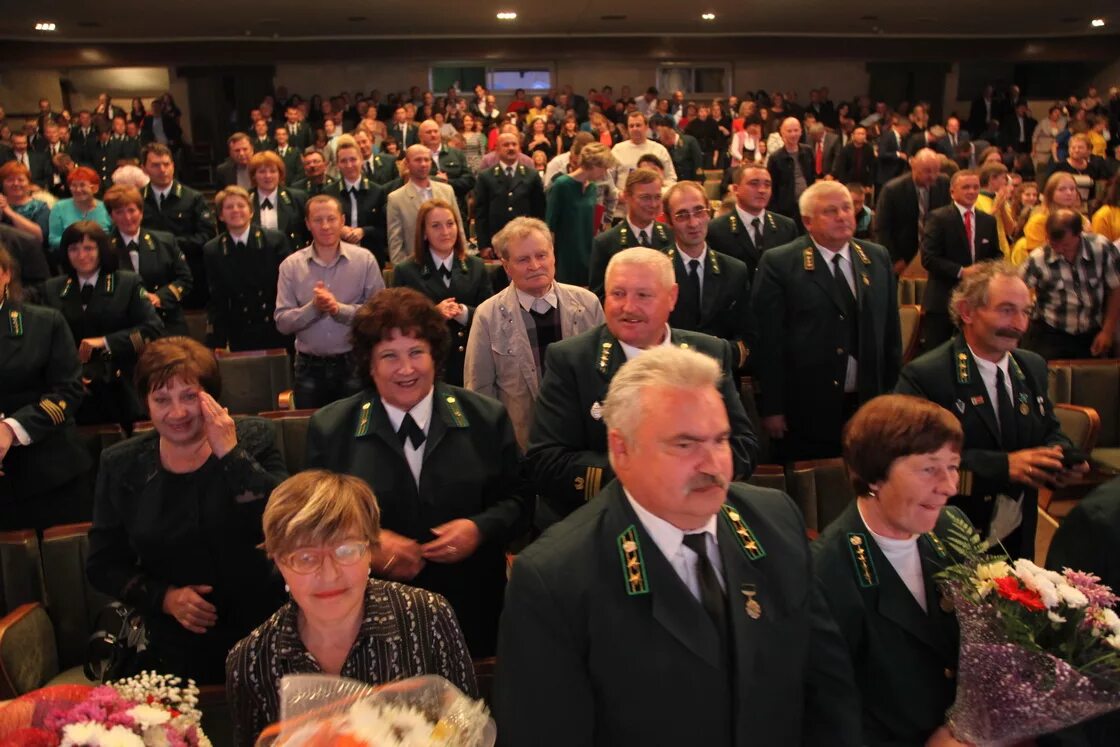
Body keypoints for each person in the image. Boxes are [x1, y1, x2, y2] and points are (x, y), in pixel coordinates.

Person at [496, 345, 859, 747]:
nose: (712, 464)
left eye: (720, 440)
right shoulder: (555, 579)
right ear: (621, 450)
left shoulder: (775, 521)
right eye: (685, 445)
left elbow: (829, 690)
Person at [306, 287, 531, 657]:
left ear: (435, 356)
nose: (406, 369)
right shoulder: (331, 428)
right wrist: (367, 545)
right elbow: (315, 523)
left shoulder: (485, 417)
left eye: (416, 353)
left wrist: (481, 528)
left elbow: (521, 501)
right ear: (369, 364)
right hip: (370, 620)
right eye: (389, 356)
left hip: (472, 612)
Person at [87, 336, 287, 685]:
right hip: (174, 640)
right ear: (146, 404)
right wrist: (164, 598)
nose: (176, 412)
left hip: (265, 628)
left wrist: (230, 453)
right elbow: (102, 564)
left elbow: (285, 523)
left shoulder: (255, 437)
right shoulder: (121, 463)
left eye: (189, 397)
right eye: (161, 399)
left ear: (211, 397)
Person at [225, 470, 477, 747]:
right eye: (306, 557)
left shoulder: (427, 616)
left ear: (369, 549)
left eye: (346, 550)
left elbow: (467, 729)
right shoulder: (251, 661)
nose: (330, 574)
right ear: (279, 562)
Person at [528, 247, 758, 529]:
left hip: (696, 519)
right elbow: (546, 462)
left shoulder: (708, 352)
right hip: (603, 523)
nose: (628, 307)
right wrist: (651, 474)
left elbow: (744, 446)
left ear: (671, 297)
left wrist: (693, 477)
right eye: (618, 294)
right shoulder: (571, 360)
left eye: (643, 295)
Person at [896, 261, 1085, 560]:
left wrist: (1060, 458)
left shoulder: (1031, 366)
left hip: (1018, 535)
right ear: (967, 311)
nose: (1019, 324)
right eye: (1006, 310)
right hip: (951, 534)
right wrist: (1002, 466)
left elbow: (1049, 430)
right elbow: (910, 459)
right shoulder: (927, 375)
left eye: (1026, 312)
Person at [813, 394, 971, 747]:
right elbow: (832, 715)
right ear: (875, 476)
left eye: (954, 466)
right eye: (930, 468)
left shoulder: (953, 527)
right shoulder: (826, 573)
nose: (949, 486)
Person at [752, 180, 902, 461]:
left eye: (847, 208)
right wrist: (772, 406)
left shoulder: (876, 256)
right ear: (808, 221)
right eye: (830, 211)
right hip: (807, 404)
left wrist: (893, 395)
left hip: (869, 401)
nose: (843, 216)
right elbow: (768, 340)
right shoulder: (781, 263)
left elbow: (890, 333)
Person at [465, 217, 603, 450]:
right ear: (506, 266)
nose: (535, 265)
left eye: (541, 255)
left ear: (553, 256)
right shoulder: (487, 316)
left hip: (582, 443)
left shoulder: (588, 304)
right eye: (523, 259)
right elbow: (479, 392)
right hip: (520, 444)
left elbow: (605, 377)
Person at [0, 245, 93, 530]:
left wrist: (10, 428)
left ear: (5, 274)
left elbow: (68, 391)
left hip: (47, 473)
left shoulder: (43, 322)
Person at [43, 221, 163, 429]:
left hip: (120, 383)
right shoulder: (53, 288)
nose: (82, 255)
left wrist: (106, 342)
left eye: (89, 248)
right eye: (74, 249)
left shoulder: (127, 282)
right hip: (74, 387)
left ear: (102, 250)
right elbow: (46, 340)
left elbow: (152, 329)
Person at [275, 194, 385, 408]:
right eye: (317, 220)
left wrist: (338, 309)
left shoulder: (364, 260)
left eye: (331, 219)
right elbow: (282, 322)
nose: (325, 226)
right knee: (312, 432)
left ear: (342, 221)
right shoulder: (290, 266)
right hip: (308, 367)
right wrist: (313, 308)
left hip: (353, 362)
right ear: (307, 224)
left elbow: (379, 315)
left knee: (356, 432)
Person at [389, 199, 493, 386]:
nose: (445, 232)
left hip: (468, 364)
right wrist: (432, 315)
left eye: (450, 224)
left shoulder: (476, 267)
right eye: (436, 226)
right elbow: (395, 322)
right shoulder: (406, 271)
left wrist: (464, 313)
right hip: (424, 367)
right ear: (424, 232)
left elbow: (491, 315)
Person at [660, 181, 753, 369]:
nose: (693, 223)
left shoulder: (735, 270)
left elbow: (747, 333)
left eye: (699, 211)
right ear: (669, 221)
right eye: (682, 215)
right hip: (669, 374)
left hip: (720, 375)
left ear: (709, 213)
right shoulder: (656, 270)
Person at [1020, 208, 1120, 360]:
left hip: (1091, 331)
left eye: (1065, 245)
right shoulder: (1038, 258)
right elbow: (1018, 289)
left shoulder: (1101, 248)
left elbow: (1115, 288)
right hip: (1051, 332)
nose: (1059, 249)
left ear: (1079, 235)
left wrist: (1107, 331)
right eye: (1054, 244)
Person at [920, 169, 1002, 351]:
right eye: (966, 187)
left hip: (976, 300)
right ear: (952, 192)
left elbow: (995, 254)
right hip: (943, 299)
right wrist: (961, 271)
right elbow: (929, 258)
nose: (972, 192)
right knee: (936, 352)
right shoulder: (938, 218)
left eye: (975, 187)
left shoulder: (988, 221)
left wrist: (988, 269)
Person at [203, 186, 292, 352]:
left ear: (251, 212)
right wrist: (217, 339)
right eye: (229, 207)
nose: (236, 210)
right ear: (221, 215)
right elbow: (217, 298)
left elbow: (288, 286)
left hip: (273, 325)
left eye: (241, 205)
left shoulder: (274, 241)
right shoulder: (213, 249)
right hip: (239, 329)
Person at [103, 184, 192, 336]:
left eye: (132, 210)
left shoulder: (165, 241)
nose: (127, 217)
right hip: (124, 327)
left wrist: (159, 297)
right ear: (111, 216)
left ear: (141, 212)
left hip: (166, 320)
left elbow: (185, 279)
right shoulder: (103, 247)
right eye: (119, 212)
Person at [139, 143, 216, 309]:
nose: (162, 170)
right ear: (144, 168)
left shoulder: (193, 198)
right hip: (148, 276)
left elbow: (207, 236)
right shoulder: (137, 199)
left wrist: (170, 245)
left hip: (188, 274)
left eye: (167, 164)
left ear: (173, 166)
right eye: (155, 165)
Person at [587, 168, 673, 297]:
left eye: (657, 197)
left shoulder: (671, 235)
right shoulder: (606, 242)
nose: (653, 204)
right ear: (627, 197)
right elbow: (599, 296)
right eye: (645, 198)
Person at [707, 163, 799, 281]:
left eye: (767, 185)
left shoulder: (786, 227)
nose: (762, 190)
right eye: (754, 184)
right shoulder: (716, 229)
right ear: (736, 189)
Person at [546, 141, 617, 286]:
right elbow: (550, 226)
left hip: (587, 252)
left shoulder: (591, 187)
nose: (605, 173)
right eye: (604, 168)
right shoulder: (561, 185)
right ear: (593, 165)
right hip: (565, 255)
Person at [874, 148, 951, 275]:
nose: (932, 176)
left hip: (935, 257)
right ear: (913, 166)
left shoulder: (943, 183)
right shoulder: (892, 190)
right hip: (902, 257)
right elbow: (882, 228)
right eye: (927, 171)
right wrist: (894, 259)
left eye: (936, 171)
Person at [386, 144, 464, 266]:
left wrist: (463, 258)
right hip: (416, 267)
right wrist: (402, 271)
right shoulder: (396, 198)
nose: (423, 164)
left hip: (450, 263)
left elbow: (458, 226)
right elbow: (396, 241)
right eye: (418, 160)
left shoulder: (447, 190)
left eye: (427, 160)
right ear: (407, 164)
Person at [473, 132, 546, 257]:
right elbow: (481, 213)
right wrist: (484, 245)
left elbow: (539, 211)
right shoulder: (486, 176)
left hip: (526, 241)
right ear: (497, 149)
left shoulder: (531, 175)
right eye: (506, 145)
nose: (511, 148)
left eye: (514, 144)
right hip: (496, 243)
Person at [322, 135, 390, 266]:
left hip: (371, 257)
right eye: (343, 161)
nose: (349, 165)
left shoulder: (377, 191)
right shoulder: (329, 192)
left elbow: (385, 229)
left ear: (362, 161)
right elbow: (323, 226)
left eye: (353, 159)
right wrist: (338, 229)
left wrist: (364, 231)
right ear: (337, 165)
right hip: (337, 259)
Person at [1011, 172, 1092, 266]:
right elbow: (1037, 256)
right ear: (1050, 192)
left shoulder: (1081, 219)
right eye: (1062, 189)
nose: (1069, 193)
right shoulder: (1038, 221)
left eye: (1072, 189)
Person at [610, 111, 677, 220]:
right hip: (622, 212)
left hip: (653, 211)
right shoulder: (617, 149)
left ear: (646, 127)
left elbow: (671, 179)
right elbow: (608, 181)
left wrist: (659, 195)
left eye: (638, 125)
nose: (635, 128)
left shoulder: (659, 150)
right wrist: (618, 195)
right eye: (631, 126)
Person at [249, 150, 308, 250]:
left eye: (273, 171)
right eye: (262, 171)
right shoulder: (245, 199)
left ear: (280, 174)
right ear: (254, 175)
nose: (268, 176)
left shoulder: (297, 198)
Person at [47, 166, 111, 253]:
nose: (77, 190)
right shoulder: (59, 207)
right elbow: (53, 239)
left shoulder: (106, 208)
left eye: (82, 185)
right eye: (73, 185)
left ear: (95, 188)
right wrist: (77, 243)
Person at [768, 116, 815, 225]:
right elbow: (772, 186)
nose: (793, 134)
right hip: (786, 209)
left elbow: (812, 177)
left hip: (807, 204)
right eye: (789, 131)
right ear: (782, 133)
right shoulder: (776, 158)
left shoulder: (808, 151)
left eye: (796, 130)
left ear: (801, 131)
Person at [0, 160, 50, 247]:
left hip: (29, 255)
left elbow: (40, 237)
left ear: (29, 183)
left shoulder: (41, 207)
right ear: (2, 184)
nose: (15, 183)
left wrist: (8, 211)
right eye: (10, 180)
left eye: (20, 180)